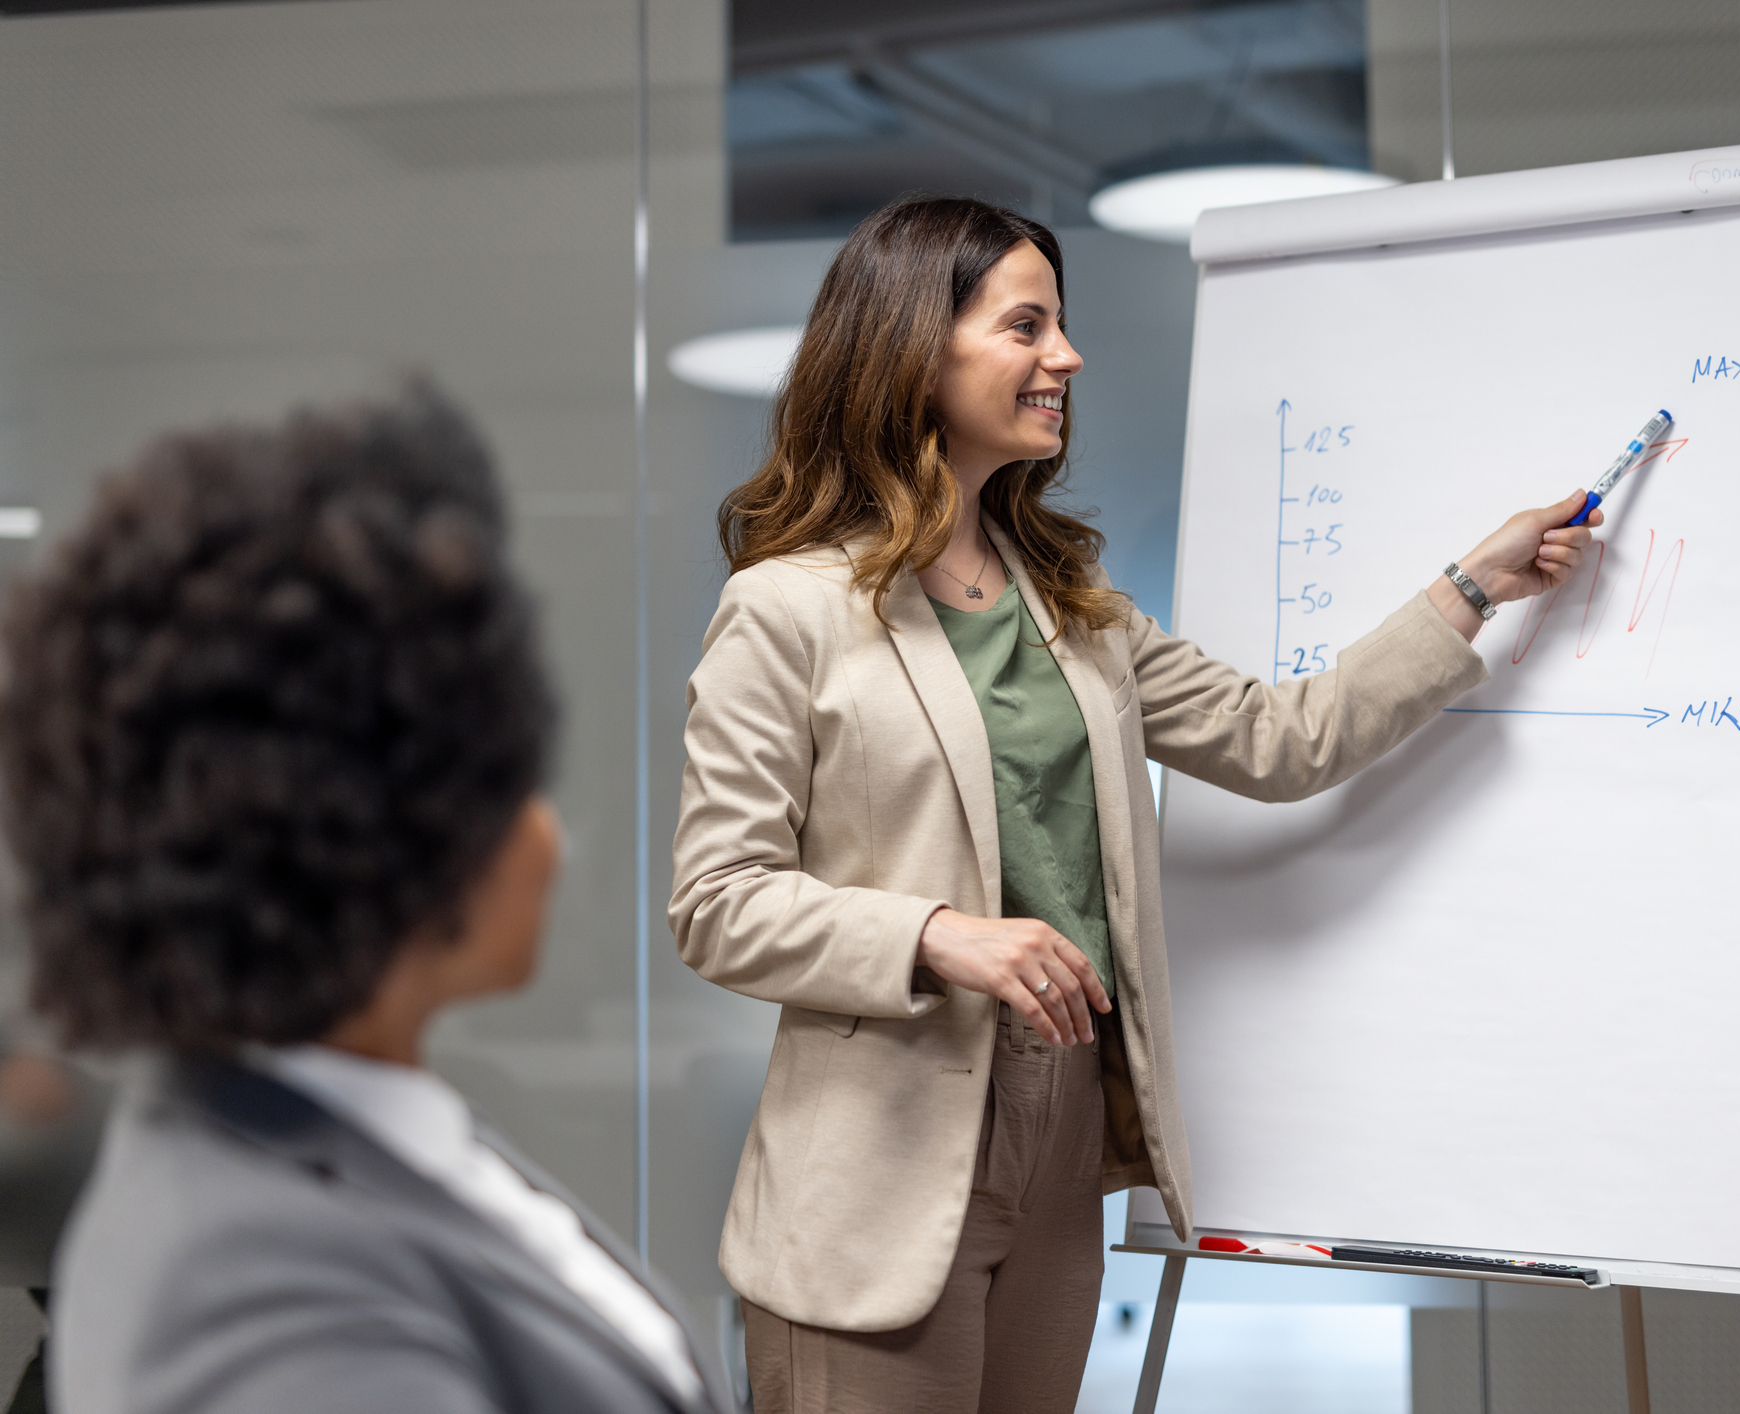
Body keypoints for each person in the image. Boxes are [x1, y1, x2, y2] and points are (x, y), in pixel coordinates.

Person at [668, 195, 1602, 1413]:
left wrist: (1471, 584)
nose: (1065, 356)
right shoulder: (785, 609)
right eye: (1026, 326)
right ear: (913, 349)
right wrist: (937, 936)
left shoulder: (1070, 601)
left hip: (1060, 1128)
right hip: (876, 1165)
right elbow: (717, 902)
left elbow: (1281, 737)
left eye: (1060, 325)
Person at [0, 386, 727, 1414]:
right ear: (376, 835)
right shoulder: (253, 1289)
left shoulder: (336, 1124)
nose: (545, 831)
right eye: (506, 777)